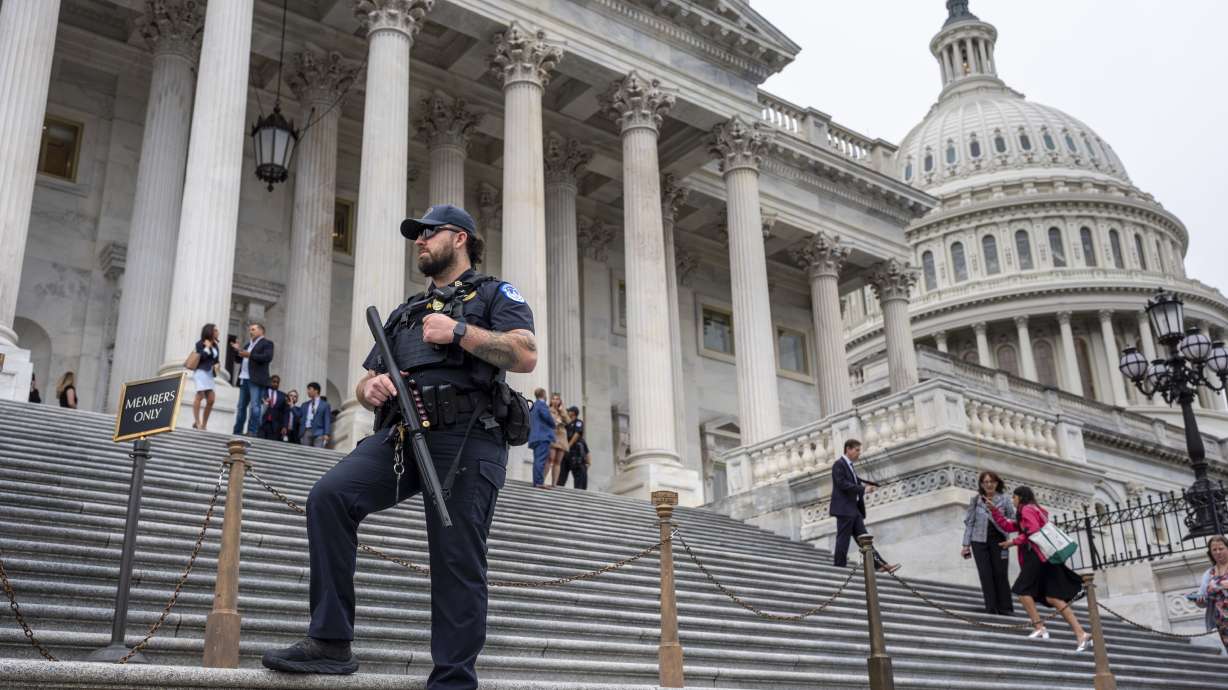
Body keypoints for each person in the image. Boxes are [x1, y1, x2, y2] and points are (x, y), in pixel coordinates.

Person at [261, 203, 537, 686]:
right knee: (329, 498)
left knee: (456, 557)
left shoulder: (495, 293)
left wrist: (459, 332)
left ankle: (452, 679)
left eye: (430, 232)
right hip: (403, 434)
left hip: (468, 439)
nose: (420, 240)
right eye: (417, 234)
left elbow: (525, 354)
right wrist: (370, 390)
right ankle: (330, 641)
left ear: (461, 238)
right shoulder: (406, 312)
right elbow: (368, 381)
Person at [986, 486, 1090, 651]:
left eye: (1014, 497)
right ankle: (1081, 633)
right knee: (1053, 598)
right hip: (1045, 558)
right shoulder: (1032, 510)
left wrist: (1012, 542)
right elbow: (1008, 526)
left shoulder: (1026, 510)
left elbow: (1033, 532)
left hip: (1036, 557)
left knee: (1021, 590)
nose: (1012, 500)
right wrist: (995, 511)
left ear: (1020, 497)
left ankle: (1039, 627)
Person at [829, 439, 898, 573]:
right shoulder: (838, 464)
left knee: (865, 539)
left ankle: (880, 565)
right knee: (843, 540)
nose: (859, 453)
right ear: (848, 449)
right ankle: (839, 568)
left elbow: (855, 481)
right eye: (857, 450)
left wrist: (869, 484)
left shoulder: (849, 465)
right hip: (844, 509)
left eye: (859, 450)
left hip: (854, 509)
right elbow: (842, 483)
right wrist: (863, 489)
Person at [961, 470, 1015, 615]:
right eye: (986, 482)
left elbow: (1013, 519)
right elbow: (970, 523)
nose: (989, 484)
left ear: (997, 483)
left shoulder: (1004, 500)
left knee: (1000, 573)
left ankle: (1005, 607)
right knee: (985, 574)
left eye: (992, 481)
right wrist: (966, 545)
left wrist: (996, 514)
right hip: (978, 541)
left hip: (999, 541)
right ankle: (991, 607)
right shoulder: (976, 500)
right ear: (981, 484)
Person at [231, 322, 274, 436]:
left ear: (261, 331)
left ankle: (252, 431)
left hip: (256, 379)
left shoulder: (267, 343)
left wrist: (249, 355)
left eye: (253, 329)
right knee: (241, 407)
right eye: (250, 330)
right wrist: (237, 351)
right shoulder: (247, 345)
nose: (251, 332)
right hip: (244, 379)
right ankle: (237, 431)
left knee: (255, 406)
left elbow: (267, 357)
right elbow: (238, 360)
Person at [1195, 534, 1228, 653]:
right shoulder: (1209, 573)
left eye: (1221, 548)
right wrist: (1199, 601)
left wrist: (1223, 586)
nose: (1218, 552)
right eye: (1214, 550)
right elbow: (1203, 598)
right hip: (1221, 623)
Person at [191, 323, 221, 430]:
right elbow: (201, 357)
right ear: (210, 332)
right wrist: (207, 347)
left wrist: (217, 365)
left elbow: (216, 360)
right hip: (200, 372)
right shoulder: (200, 343)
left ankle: (204, 424)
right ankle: (198, 422)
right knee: (199, 396)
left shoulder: (216, 345)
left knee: (211, 399)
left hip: (209, 374)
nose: (218, 332)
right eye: (216, 330)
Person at [556, 406, 588, 489]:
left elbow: (577, 434)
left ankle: (579, 494)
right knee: (562, 474)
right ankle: (558, 489)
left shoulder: (578, 422)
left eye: (569, 411)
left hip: (575, 452)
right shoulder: (566, 423)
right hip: (566, 452)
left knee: (578, 476)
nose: (567, 412)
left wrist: (568, 445)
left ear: (573, 413)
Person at [528, 387, 554, 488]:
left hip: (534, 437)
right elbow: (547, 417)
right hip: (542, 437)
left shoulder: (533, 406)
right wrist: (554, 423)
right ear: (543, 395)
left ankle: (537, 482)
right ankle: (539, 482)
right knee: (541, 460)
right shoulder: (542, 405)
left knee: (537, 460)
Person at [300, 382, 332, 448]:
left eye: (309, 389)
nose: (307, 391)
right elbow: (299, 416)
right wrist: (292, 406)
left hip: (319, 432)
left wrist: (327, 434)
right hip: (306, 431)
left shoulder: (325, 405)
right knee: (304, 453)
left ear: (316, 390)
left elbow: (327, 419)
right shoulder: (305, 405)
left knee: (318, 453)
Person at [546, 392, 568, 485]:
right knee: (550, 458)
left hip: (562, 437)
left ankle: (554, 483)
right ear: (551, 400)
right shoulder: (548, 410)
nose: (555, 400)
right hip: (552, 435)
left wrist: (562, 411)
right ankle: (541, 479)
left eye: (557, 399)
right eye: (553, 399)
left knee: (558, 461)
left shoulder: (562, 411)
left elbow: (568, 421)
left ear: (560, 401)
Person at [258, 375, 288, 441]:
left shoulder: (283, 396)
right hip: (261, 423)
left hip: (275, 426)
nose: (276, 384)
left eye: (277, 382)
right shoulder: (262, 392)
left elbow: (285, 412)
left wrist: (285, 426)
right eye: (274, 382)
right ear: (270, 381)